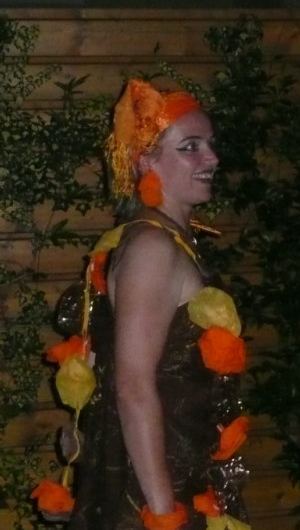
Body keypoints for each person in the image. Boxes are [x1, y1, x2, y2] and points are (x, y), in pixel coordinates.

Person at [34, 79, 249, 530]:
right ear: (146, 161)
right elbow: (132, 385)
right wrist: (163, 512)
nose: (211, 158)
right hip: (154, 486)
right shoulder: (152, 247)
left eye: (210, 144)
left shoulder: (167, 239)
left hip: (179, 467)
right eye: (190, 147)